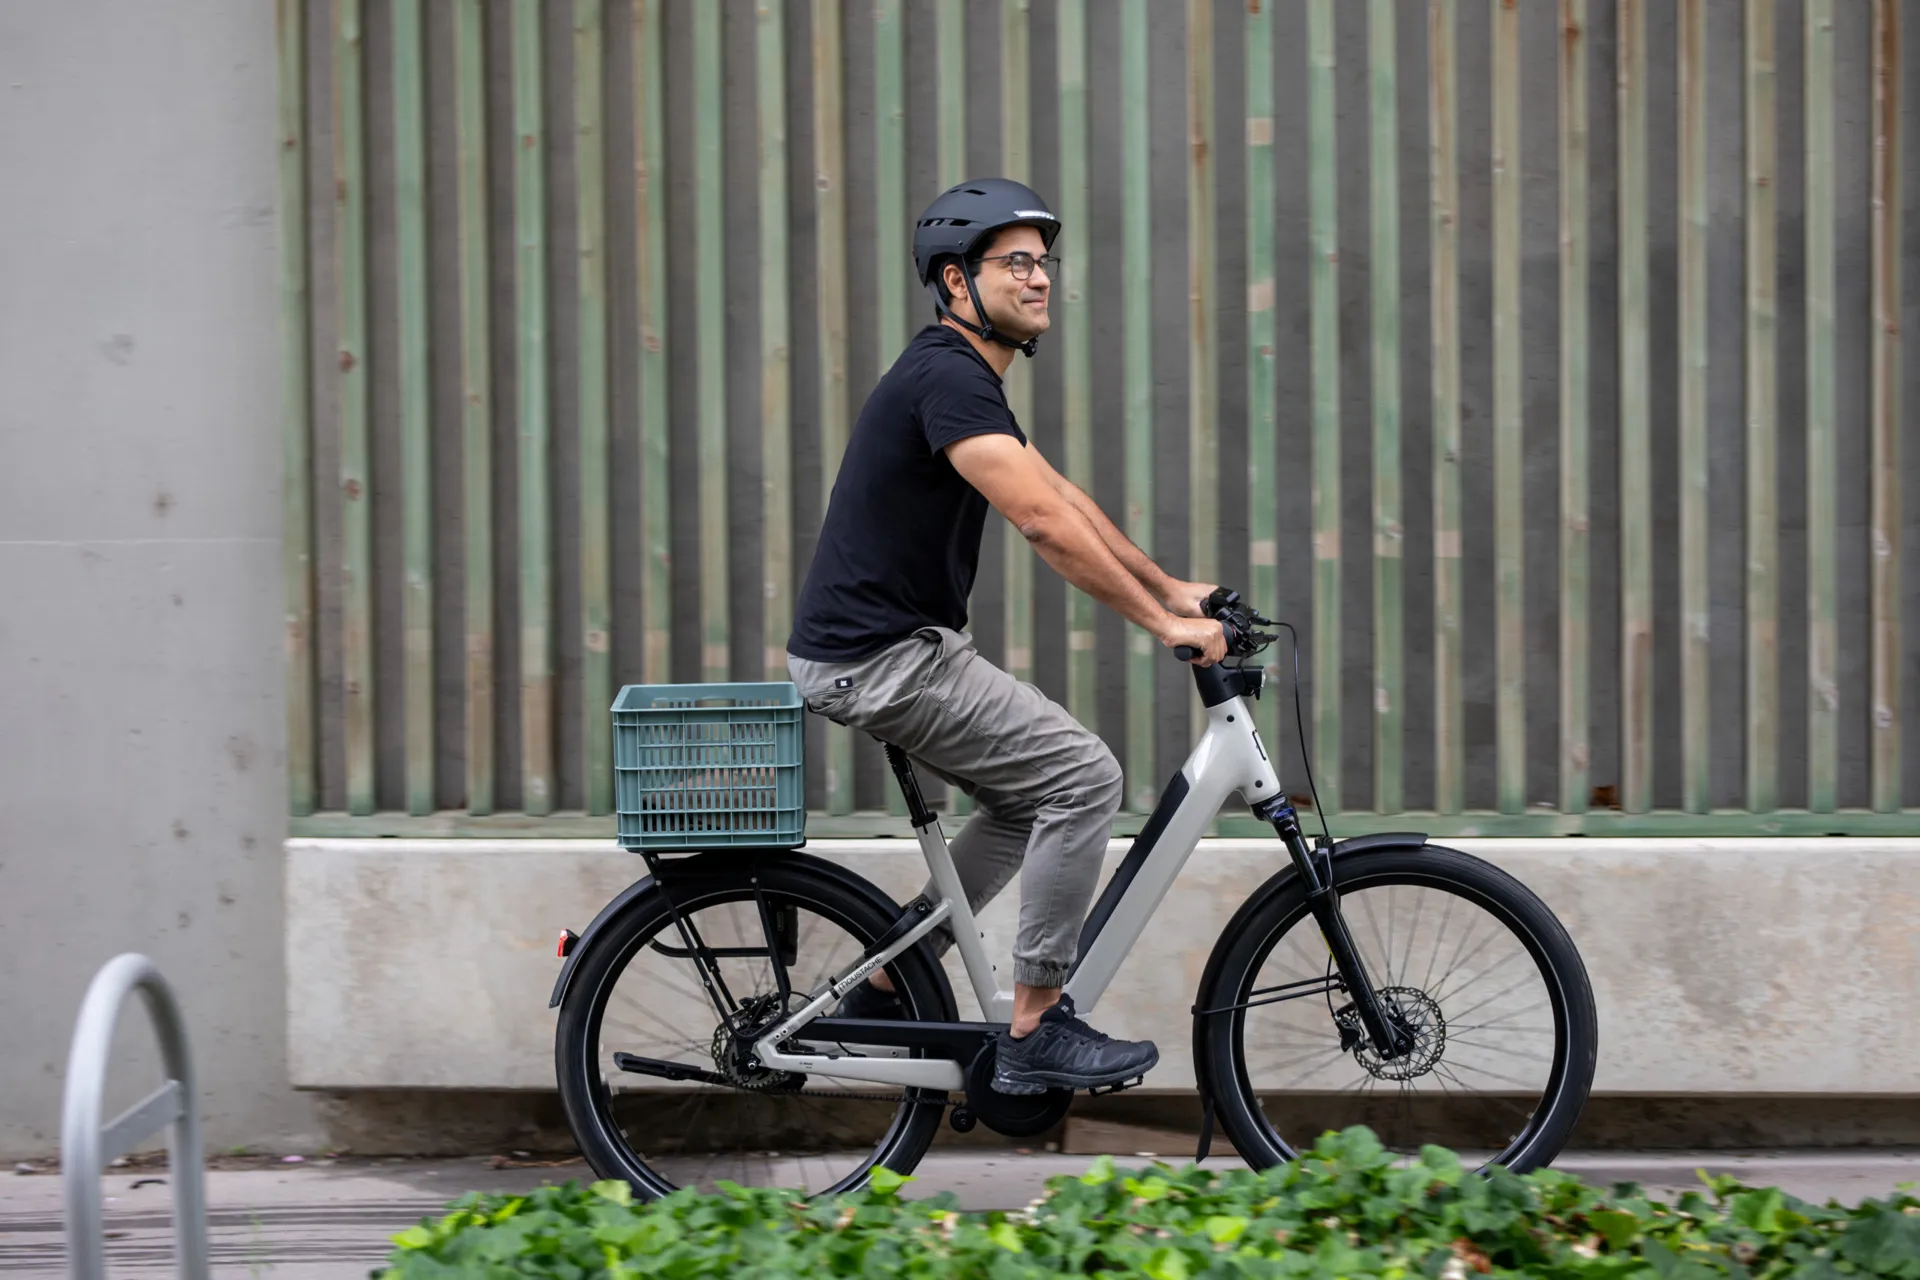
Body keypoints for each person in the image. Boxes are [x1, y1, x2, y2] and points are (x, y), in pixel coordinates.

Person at [785, 178, 1227, 1097]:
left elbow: (1060, 495)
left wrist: (1171, 588)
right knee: (1081, 776)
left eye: (1042, 261)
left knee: (1028, 805)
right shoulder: (948, 377)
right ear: (957, 282)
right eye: (1015, 262)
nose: (1039, 278)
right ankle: (1036, 1027)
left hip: (887, 650)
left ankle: (884, 989)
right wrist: (1163, 626)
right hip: (882, 659)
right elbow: (1041, 524)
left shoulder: (960, 378)